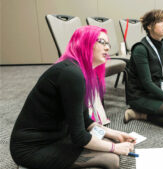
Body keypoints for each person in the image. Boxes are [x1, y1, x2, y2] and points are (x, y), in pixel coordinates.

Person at [10, 26, 136, 169]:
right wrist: (115, 147)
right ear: (84, 43)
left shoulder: (79, 71)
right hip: (32, 148)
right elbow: (80, 136)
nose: (107, 48)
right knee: (111, 160)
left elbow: (85, 120)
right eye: (101, 41)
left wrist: (116, 134)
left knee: (105, 140)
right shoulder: (71, 73)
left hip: (58, 135)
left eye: (108, 43)